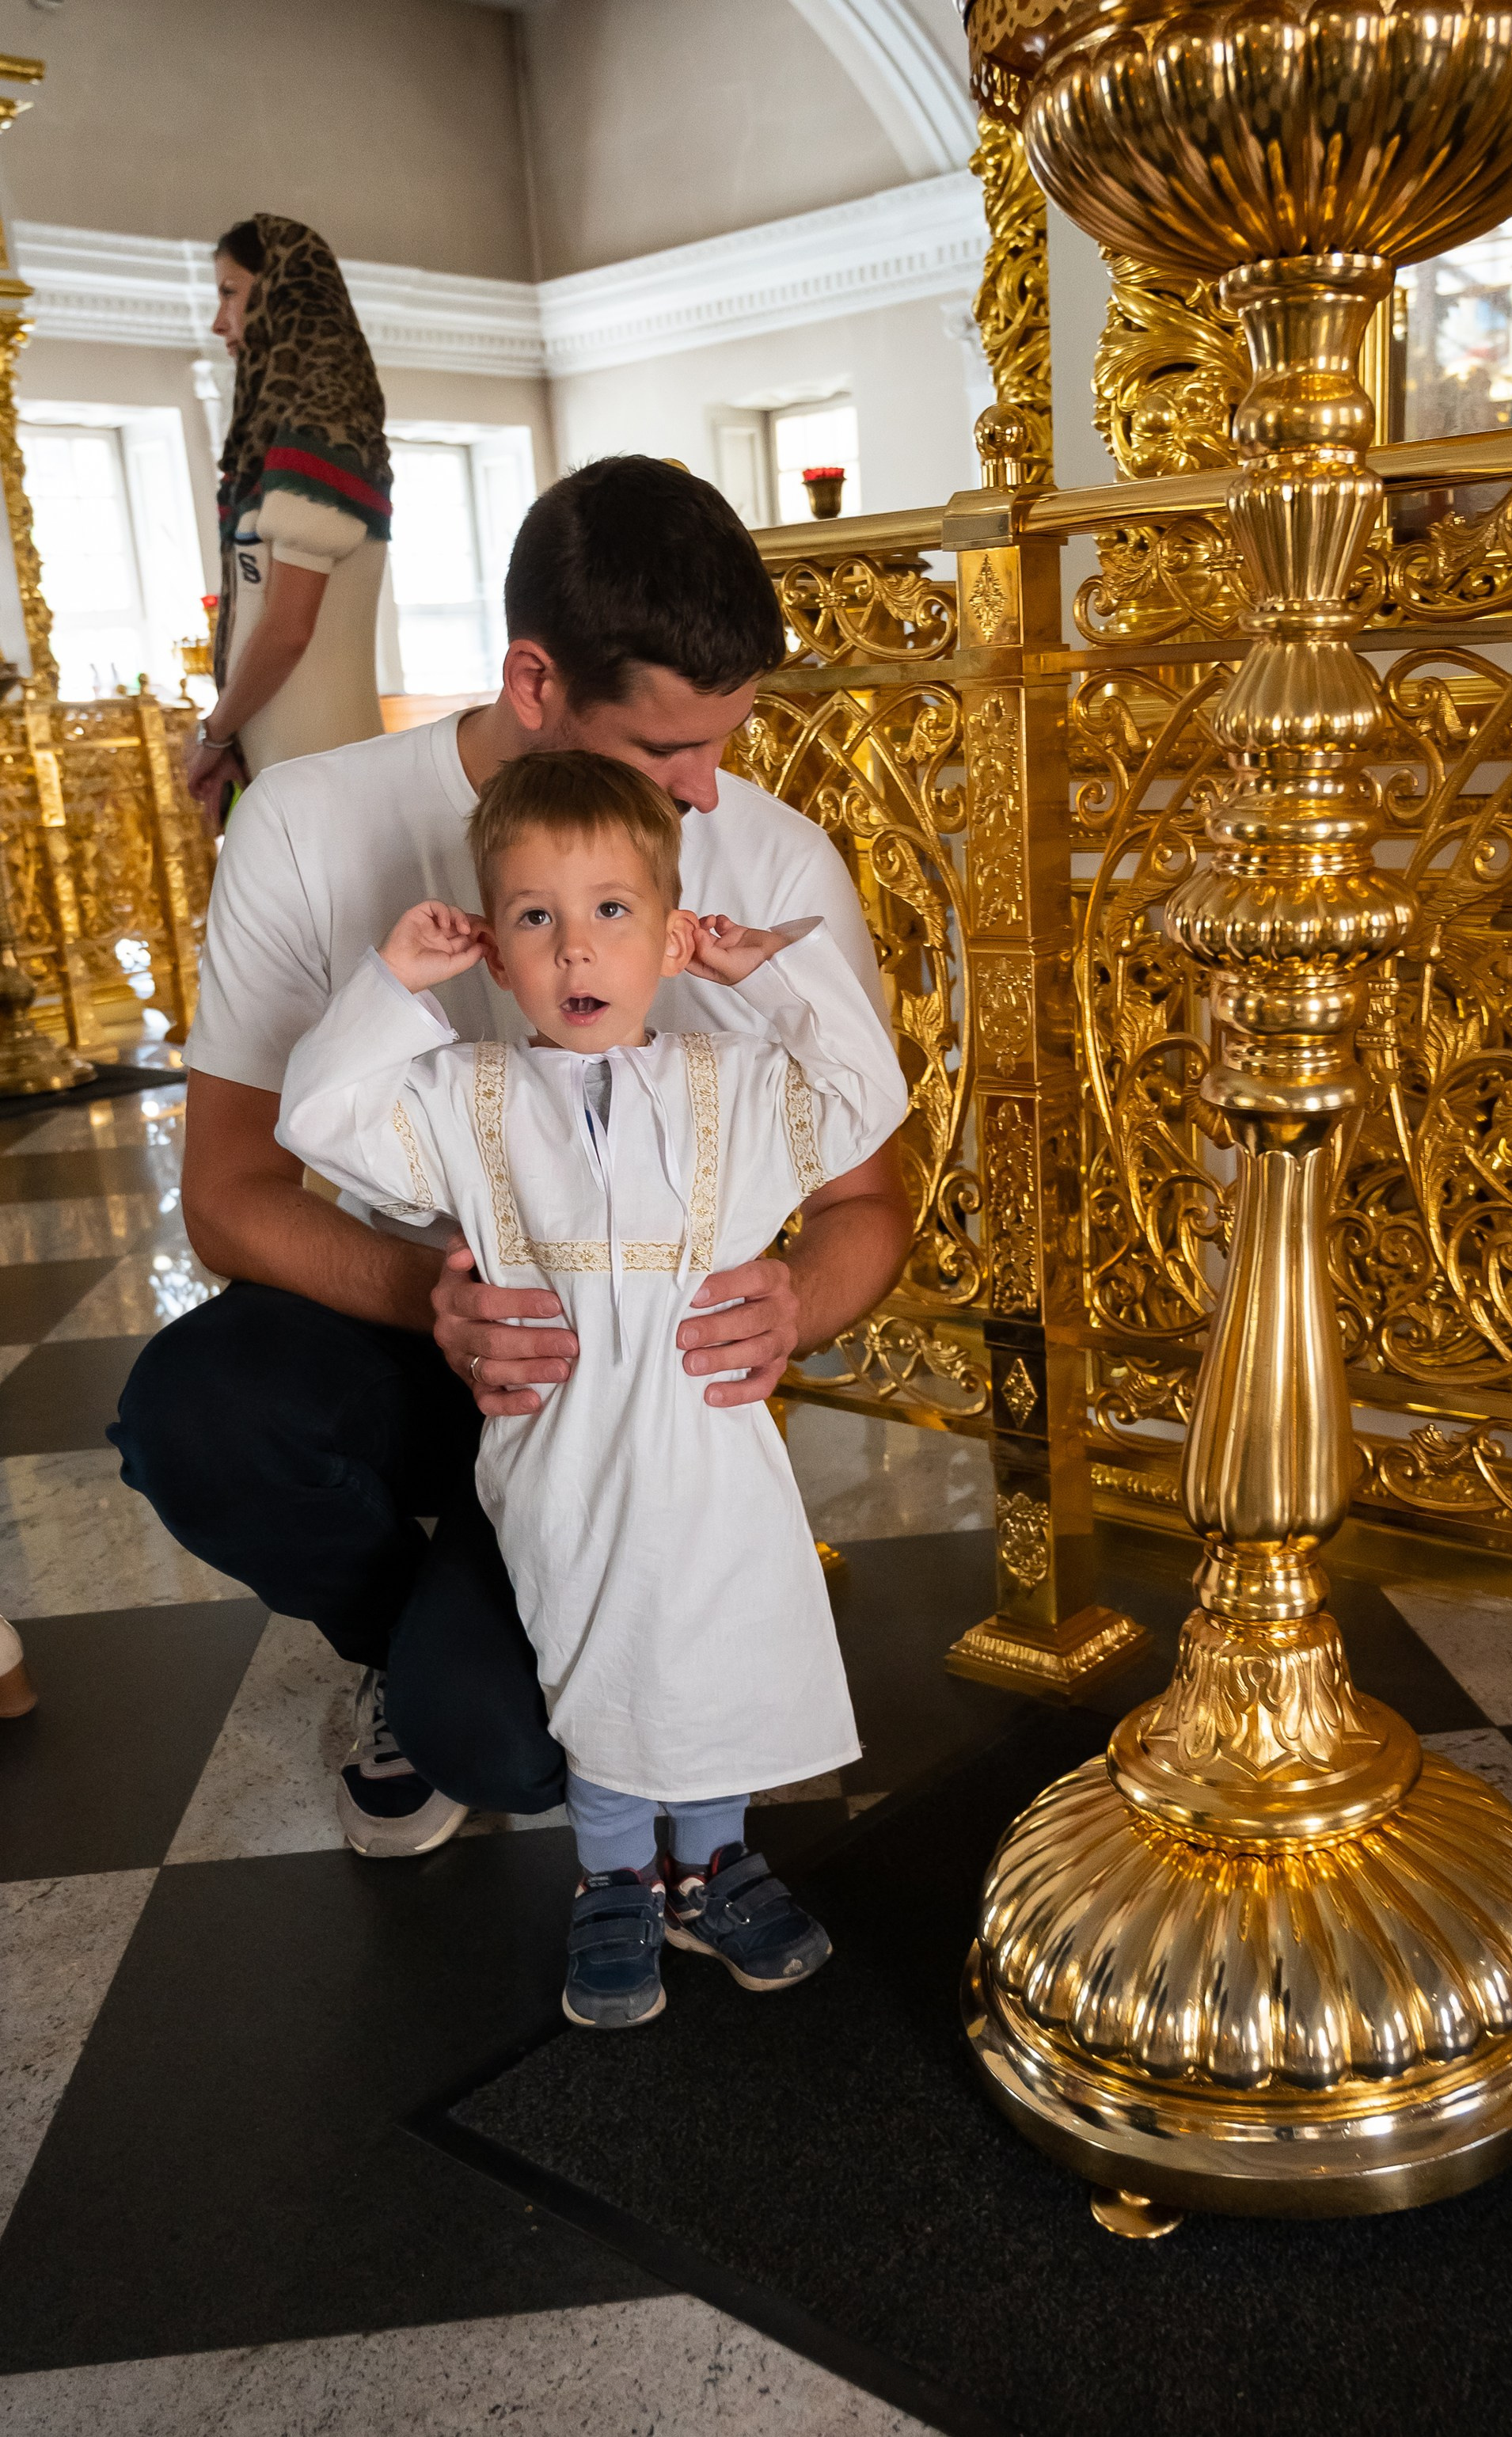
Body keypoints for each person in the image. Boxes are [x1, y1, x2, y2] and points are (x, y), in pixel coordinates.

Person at [112, 455, 914, 1863]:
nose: (708, 793)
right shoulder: (305, 824)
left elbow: (862, 1201)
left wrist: (796, 1299)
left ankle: (497, 1640)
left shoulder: (770, 862)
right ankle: (393, 1625)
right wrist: (448, 1299)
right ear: (533, 681)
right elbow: (230, 1195)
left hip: (634, 1386)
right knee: (193, 1412)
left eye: (724, 739)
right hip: (423, 1325)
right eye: (664, 752)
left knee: (510, 1747)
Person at [278, 751, 907, 2026]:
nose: (576, 951)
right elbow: (323, 1118)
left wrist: (770, 974)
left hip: (707, 1431)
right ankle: (615, 1873)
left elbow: (866, 1092)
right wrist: (394, 983)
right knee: (597, 1642)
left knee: (716, 1633)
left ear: (671, 937)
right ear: (496, 956)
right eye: (534, 919)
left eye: (613, 912)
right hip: (563, 1445)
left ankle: (719, 1861)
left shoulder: (731, 1082)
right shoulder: (467, 1095)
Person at [186, 215, 392, 830]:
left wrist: (215, 734)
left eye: (230, 292)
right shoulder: (278, 442)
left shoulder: (325, 427)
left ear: (281, 291)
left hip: (330, 781)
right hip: (288, 775)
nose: (220, 322)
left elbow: (288, 630)